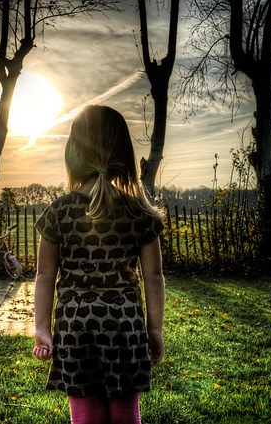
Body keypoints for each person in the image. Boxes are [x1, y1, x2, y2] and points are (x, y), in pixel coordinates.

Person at [32, 105, 166, 424]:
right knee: (124, 414)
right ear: (123, 152)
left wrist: (41, 329)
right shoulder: (139, 212)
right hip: (125, 325)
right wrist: (155, 329)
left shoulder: (59, 211)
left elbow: (44, 275)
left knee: (87, 413)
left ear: (74, 151)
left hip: (76, 325)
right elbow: (154, 276)